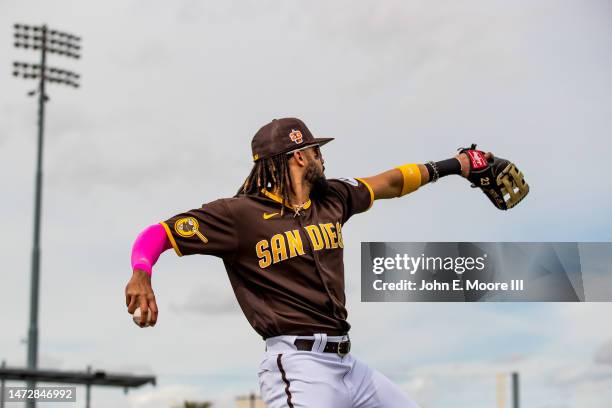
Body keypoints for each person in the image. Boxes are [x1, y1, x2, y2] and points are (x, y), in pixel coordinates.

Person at [125, 117, 492, 407]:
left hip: (349, 364)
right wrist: (141, 271)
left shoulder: (332, 197)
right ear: (299, 156)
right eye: (316, 151)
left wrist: (457, 164)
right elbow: (158, 233)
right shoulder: (239, 215)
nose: (322, 157)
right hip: (299, 365)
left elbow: (391, 182)